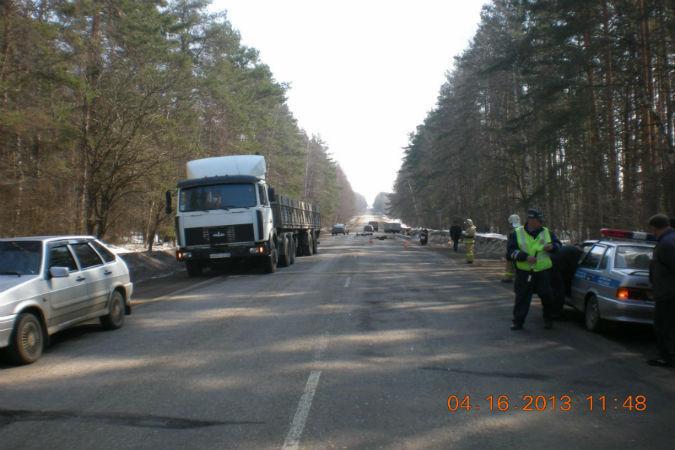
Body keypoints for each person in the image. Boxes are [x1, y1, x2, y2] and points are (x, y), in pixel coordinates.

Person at [507, 208, 561, 330]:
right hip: (524, 273)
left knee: (547, 297)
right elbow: (510, 253)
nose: (540, 223)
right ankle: (518, 322)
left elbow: (558, 246)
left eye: (540, 220)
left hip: (543, 272)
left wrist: (552, 247)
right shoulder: (517, 233)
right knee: (522, 298)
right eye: (537, 220)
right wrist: (525, 257)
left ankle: (548, 319)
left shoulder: (547, 232)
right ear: (530, 220)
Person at [646, 214, 675, 368]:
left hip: (668, 293)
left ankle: (667, 357)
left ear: (656, 228)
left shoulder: (667, 244)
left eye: (652, 229)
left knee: (664, 326)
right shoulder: (668, 240)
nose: (652, 233)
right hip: (667, 291)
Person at [501, 214, 521, 282]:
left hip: (514, 250)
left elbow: (513, 241)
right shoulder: (521, 228)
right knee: (512, 264)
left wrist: (510, 250)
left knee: (511, 264)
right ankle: (510, 277)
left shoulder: (515, 230)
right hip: (516, 249)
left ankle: (508, 277)